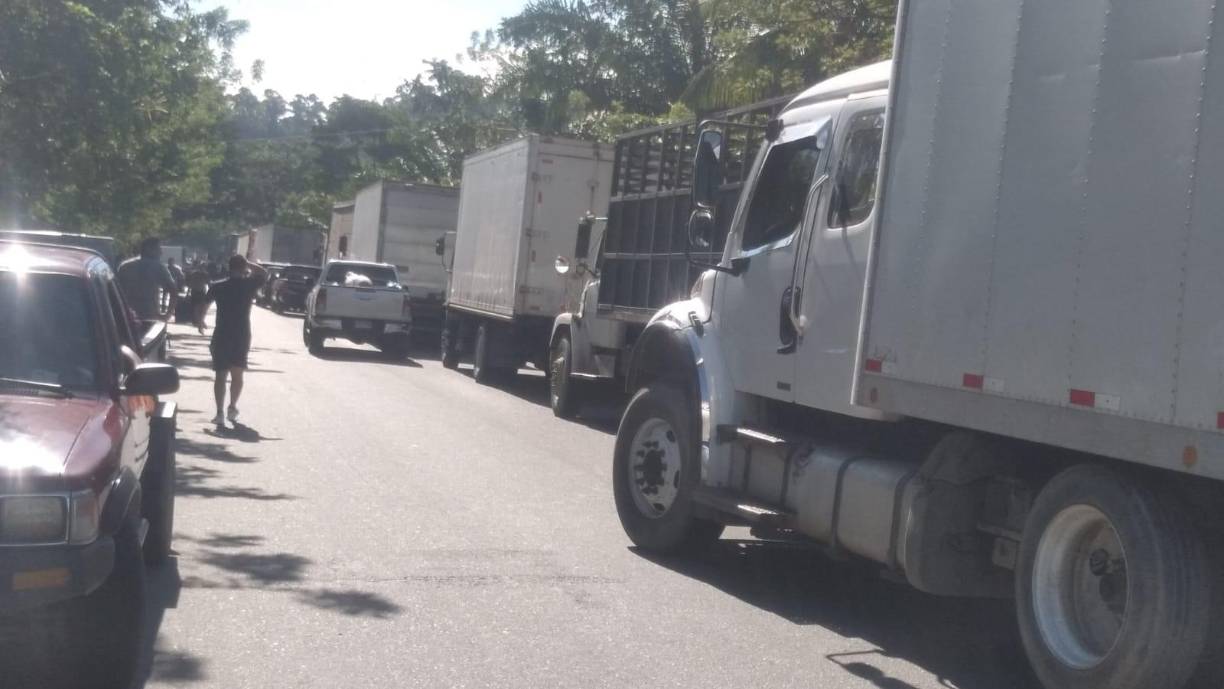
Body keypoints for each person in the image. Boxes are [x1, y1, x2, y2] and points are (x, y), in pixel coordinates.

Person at [196, 254, 268, 427]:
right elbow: (264, 273)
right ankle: (232, 407)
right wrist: (249, 263)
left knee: (221, 374)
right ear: (243, 268)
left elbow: (204, 305)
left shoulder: (217, 286)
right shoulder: (249, 284)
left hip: (222, 333)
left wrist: (200, 320)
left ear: (229, 267)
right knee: (238, 373)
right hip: (241, 333)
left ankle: (219, 412)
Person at [116, 237, 178, 321]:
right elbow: (173, 290)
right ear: (148, 249)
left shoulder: (124, 266)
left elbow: (116, 291)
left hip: (126, 316)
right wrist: (167, 315)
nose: (161, 253)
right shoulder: (158, 267)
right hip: (149, 315)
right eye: (158, 249)